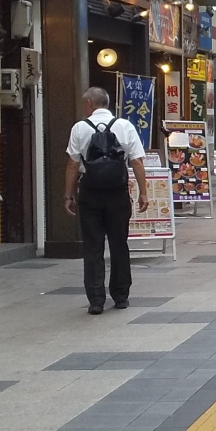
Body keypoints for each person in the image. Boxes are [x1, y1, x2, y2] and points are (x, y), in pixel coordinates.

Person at [63, 87, 150, 315]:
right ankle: (120, 296)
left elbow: (72, 164)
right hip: (117, 192)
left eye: (84, 104)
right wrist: (143, 192)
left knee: (93, 246)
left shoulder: (80, 128)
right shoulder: (124, 126)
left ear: (90, 103)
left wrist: (68, 194)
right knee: (119, 243)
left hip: (90, 192)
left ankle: (95, 300)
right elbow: (137, 161)